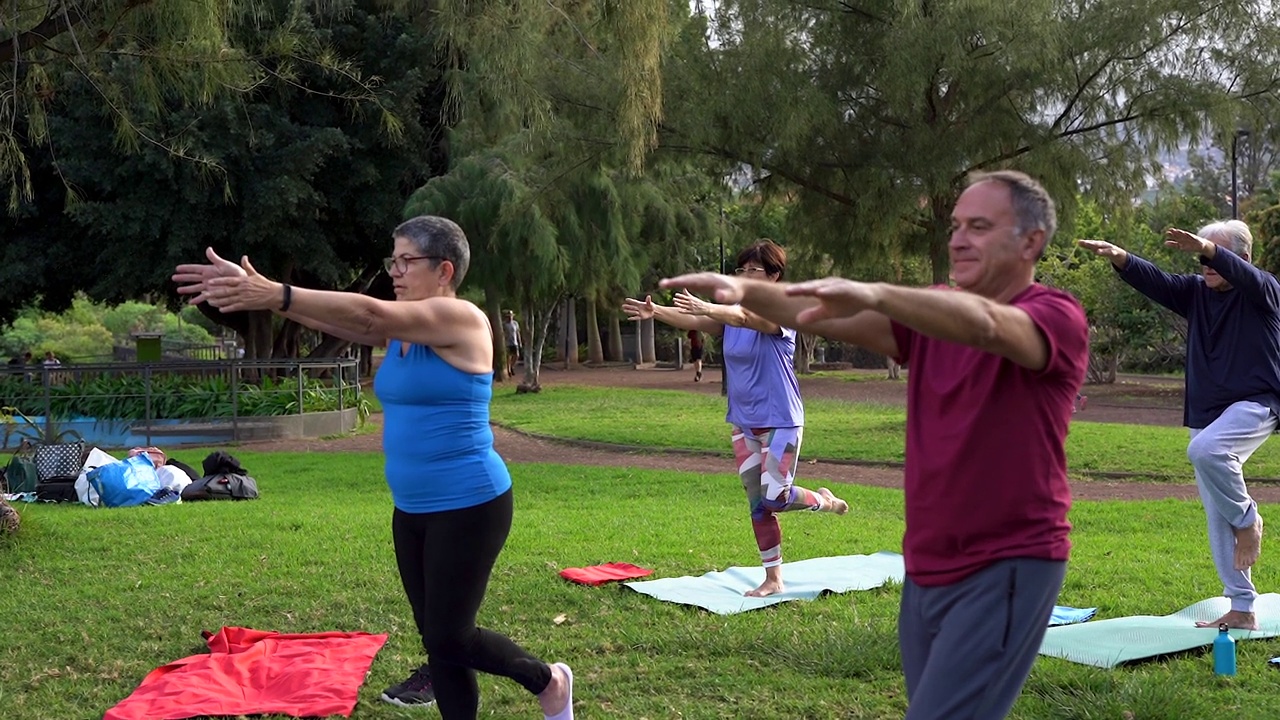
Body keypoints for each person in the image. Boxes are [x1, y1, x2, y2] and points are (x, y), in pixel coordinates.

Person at [664, 171, 1087, 719]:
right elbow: (817, 312)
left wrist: (879, 292)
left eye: (979, 226)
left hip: (1008, 562)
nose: (958, 238)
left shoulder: (1056, 317)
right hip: (928, 562)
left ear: (1030, 241)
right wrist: (743, 292)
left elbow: (984, 325)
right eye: (956, 225)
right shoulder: (928, 313)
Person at [172, 215, 575, 720]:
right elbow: (346, 321)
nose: (395, 271)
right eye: (393, 260)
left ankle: (550, 682)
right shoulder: (403, 328)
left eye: (407, 261)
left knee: (452, 634)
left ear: (444, 269)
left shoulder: (463, 319)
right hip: (412, 508)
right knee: (437, 638)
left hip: (470, 503)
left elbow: (365, 317)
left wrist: (277, 293)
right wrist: (265, 298)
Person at [1079, 220, 1280, 630]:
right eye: (1202, 258)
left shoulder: (1263, 291)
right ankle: (1242, 607)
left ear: (1241, 259)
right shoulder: (1195, 294)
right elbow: (1157, 280)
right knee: (1214, 511)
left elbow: (1245, 275)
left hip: (1257, 403)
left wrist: (1208, 246)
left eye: (1213, 256)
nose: (1205, 264)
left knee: (1207, 451)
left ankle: (1248, 521)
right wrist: (1120, 257)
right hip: (1208, 411)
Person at [623, 240, 850, 599]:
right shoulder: (729, 314)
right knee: (759, 505)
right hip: (743, 422)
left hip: (781, 420)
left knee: (776, 496)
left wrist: (709, 306)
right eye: (740, 270)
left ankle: (825, 501)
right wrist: (660, 313)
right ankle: (773, 579)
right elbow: (699, 320)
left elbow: (745, 318)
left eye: (753, 271)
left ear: (774, 277)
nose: (744, 277)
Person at [502, 310, 522, 378]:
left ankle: (512, 366)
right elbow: (503, 334)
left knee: (517, 355)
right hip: (508, 343)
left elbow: (517, 333)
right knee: (509, 357)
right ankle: (509, 370)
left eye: (511, 316)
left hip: (514, 342)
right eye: (508, 316)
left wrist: (520, 341)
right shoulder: (504, 324)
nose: (510, 317)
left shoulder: (515, 323)